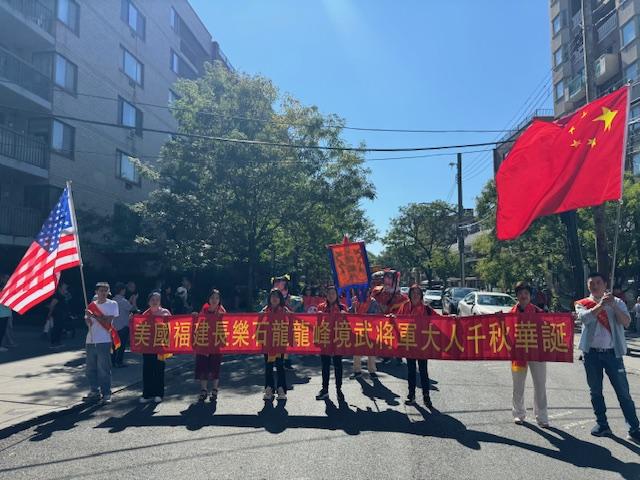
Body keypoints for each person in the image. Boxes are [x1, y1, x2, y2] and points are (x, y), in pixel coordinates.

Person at [575, 272, 640, 443]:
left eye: (598, 282)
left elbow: (626, 322)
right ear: (588, 286)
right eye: (591, 283)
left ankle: (634, 428)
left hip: (613, 354)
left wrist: (614, 306)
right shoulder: (582, 303)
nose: (595, 286)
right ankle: (602, 424)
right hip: (591, 354)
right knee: (595, 391)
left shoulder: (617, 302)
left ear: (605, 285)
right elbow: (585, 319)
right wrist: (601, 306)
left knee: (623, 392)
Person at [510, 282, 548, 427]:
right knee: (518, 385)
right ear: (517, 296)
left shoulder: (539, 312)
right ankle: (518, 414)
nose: (523, 296)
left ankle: (542, 417)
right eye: (520, 293)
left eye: (526, 293)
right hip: (518, 354)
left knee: (540, 385)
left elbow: (550, 328)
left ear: (530, 296)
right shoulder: (510, 314)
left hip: (537, 353)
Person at [399, 284, 436, 408]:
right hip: (409, 343)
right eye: (413, 293)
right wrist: (392, 318)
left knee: (423, 371)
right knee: (411, 371)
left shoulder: (427, 309)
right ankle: (411, 395)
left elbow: (441, 320)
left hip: (422, 344)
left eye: (418, 293)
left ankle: (426, 396)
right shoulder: (405, 306)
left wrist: (451, 318)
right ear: (409, 295)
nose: (415, 296)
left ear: (421, 296)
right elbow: (397, 319)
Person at [83, 282, 118, 404]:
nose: (103, 293)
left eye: (105, 290)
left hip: (104, 339)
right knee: (90, 368)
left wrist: (93, 316)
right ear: (96, 292)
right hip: (90, 340)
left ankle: (106, 393)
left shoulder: (112, 304)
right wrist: (88, 318)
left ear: (108, 292)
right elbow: (89, 323)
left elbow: (108, 321)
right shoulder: (91, 305)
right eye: (101, 290)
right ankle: (94, 390)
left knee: (103, 368)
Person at [140, 292, 171, 403]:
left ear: (160, 301)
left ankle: (159, 393)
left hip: (160, 346)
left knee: (159, 370)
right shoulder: (145, 314)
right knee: (147, 370)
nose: (155, 302)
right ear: (148, 302)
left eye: (157, 299)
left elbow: (171, 327)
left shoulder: (165, 312)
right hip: (148, 346)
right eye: (152, 299)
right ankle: (147, 394)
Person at [315, 286, 346, 401]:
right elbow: (317, 325)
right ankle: (325, 389)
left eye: (333, 293)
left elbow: (348, 324)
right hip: (325, 340)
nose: (331, 295)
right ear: (326, 295)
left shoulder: (342, 307)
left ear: (337, 295)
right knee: (325, 366)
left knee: (338, 365)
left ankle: (339, 389)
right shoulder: (321, 307)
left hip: (338, 340)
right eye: (329, 293)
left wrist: (345, 315)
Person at [196, 288, 226, 402]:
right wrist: (194, 317)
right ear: (208, 299)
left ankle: (214, 389)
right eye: (212, 297)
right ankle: (203, 390)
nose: (214, 300)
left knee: (215, 367)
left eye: (217, 298)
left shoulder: (222, 311)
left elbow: (227, 326)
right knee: (203, 366)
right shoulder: (203, 310)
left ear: (219, 300)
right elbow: (198, 325)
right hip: (203, 342)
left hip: (216, 343)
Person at [261, 288, 289, 401]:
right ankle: (269, 389)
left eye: (277, 296)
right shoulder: (264, 310)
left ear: (280, 299)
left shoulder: (285, 310)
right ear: (269, 298)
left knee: (280, 366)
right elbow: (257, 322)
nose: (275, 298)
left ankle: (281, 389)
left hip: (280, 342)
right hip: (267, 343)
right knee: (268, 366)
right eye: (272, 296)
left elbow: (292, 322)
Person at [350, 284, 382, 378]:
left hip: (370, 329)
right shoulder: (355, 300)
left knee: (371, 351)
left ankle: (372, 371)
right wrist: (352, 307)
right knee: (357, 350)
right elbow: (350, 313)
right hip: (358, 328)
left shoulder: (372, 301)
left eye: (366, 290)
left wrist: (365, 316)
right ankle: (357, 371)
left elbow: (375, 314)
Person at [111, 283, 134, 368]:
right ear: (122, 290)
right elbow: (132, 308)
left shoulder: (112, 301)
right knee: (121, 345)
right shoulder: (123, 301)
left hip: (114, 325)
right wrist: (133, 300)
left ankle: (112, 361)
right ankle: (119, 362)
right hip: (123, 325)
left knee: (114, 345)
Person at [47, 282, 70, 348]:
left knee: (60, 328)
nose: (66, 287)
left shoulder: (63, 295)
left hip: (62, 314)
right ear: (60, 288)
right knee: (56, 328)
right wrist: (49, 313)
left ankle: (58, 342)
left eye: (66, 286)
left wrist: (66, 294)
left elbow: (69, 298)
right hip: (57, 314)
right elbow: (52, 304)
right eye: (64, 286)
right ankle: (54, 342)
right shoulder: (57, 295)